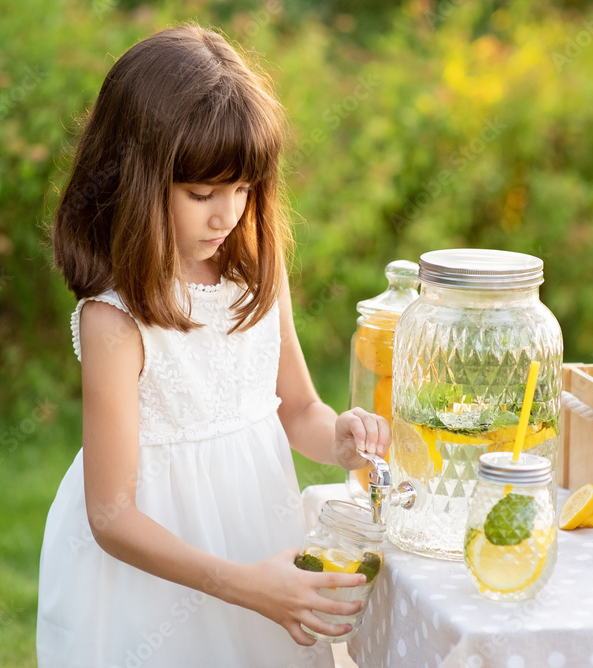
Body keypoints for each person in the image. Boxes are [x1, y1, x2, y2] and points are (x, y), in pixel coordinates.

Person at [36, 23, 390, 667]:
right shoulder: (115, 319)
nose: (226, 215)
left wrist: (339, 436)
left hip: (261, 537)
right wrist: (247, 585)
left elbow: (296, 408)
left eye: (243, 190)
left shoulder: (255, 266)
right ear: (137, 179)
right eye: (201, 194)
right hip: (157, 580)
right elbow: (112, 516)